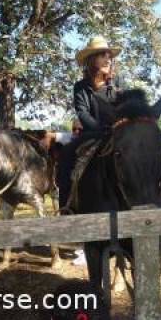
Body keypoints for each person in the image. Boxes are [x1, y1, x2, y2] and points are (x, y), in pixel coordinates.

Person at [56, 36, 122, 211]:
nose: (108, 59)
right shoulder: (81, 86)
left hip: (117, 132)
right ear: (92, 60)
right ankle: (66, 206)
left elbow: (124, 108)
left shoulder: (118, 84)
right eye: (102, 55)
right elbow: (82, 112)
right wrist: (100, 129)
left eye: (109, 55)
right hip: (91, 134)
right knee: (67, 155)